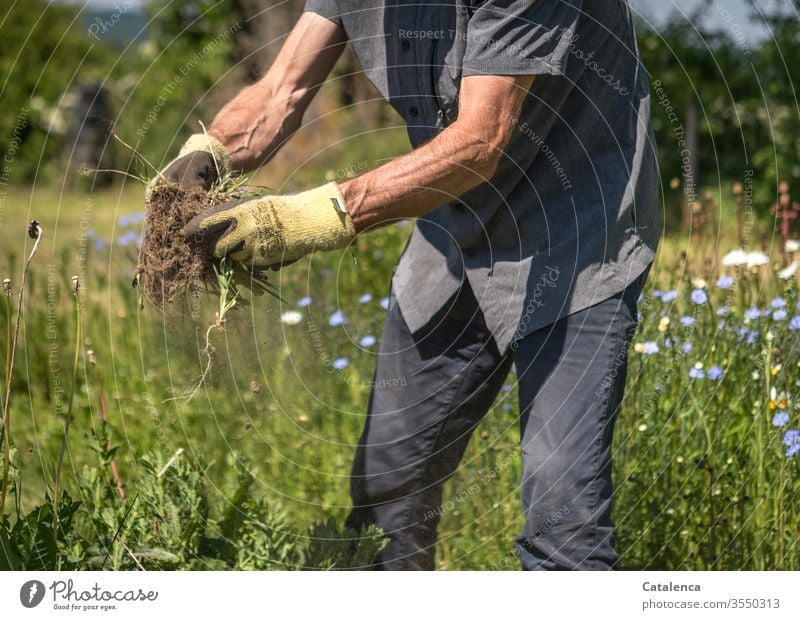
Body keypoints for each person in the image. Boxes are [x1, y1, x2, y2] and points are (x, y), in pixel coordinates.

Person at [153, 0, 661, 570]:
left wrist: (310, 217)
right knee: (385, 495)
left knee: (562, 519)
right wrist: (209, 154)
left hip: (576, 236)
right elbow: (280, 94)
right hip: (452, 234)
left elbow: (477, 144)